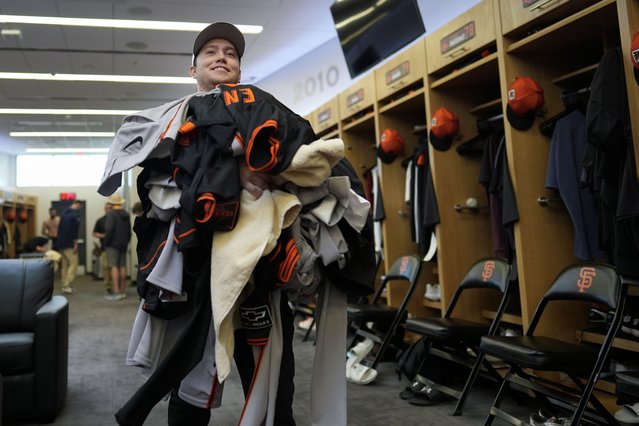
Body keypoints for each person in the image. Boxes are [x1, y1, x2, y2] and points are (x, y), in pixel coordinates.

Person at [102, 22, 374, 426]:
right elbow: (154, 181)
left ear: (240, 70)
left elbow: (315, 159)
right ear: (192, 69)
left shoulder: (265, 106)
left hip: (259, 274)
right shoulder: (173, 119)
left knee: (271, 380)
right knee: (191, 382)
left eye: (230, 53)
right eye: (210, 52)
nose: (221, 57)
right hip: (196, 272)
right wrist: (231, 172)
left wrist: (273, 171)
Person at [103, 193, 131, 301]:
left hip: (112, 245)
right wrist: (126, 242)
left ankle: (116, 291)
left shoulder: (111, 215)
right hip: (123, 244)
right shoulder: (126, 214)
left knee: (114, 266)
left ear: (111, 203)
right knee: (123, 266)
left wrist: (106, 243)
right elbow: (129, 231)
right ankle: (123, 290)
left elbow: (109, 230)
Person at [56, 200, 82, 294]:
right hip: (69, 243)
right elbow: (74, 231)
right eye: (79, 206)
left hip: (60, 242)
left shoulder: (63, 214)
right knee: (74, 263)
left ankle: (64, 285)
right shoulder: (75, 216)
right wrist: (75, 244)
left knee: (65, 264)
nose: (79, 208)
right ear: (77, 205)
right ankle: (67, 284)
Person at [93, 202, 114, 295]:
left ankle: (115, 285)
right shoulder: (100, 220)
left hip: (115, 247)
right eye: (106, 208)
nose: (108, 210)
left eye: (110, 208)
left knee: (114, 268)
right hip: (104, 248)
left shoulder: (115, 219)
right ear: (104, 209)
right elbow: (94, 233)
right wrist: (103, 235)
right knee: (106, 268)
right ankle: (108, 286)